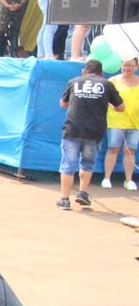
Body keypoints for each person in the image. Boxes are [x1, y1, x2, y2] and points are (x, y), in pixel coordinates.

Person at [58, 59, 124, 209]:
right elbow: (121, 107)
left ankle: (65, 199)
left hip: (72, 129)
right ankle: (82, 193)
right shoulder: (107, 84)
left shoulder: (74, 81)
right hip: (94, 131)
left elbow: (63, 103)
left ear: (84, 71)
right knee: (87, 164)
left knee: (68, 165)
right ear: (101, 73)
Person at [102, 55, 139, 190]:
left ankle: (128, 180)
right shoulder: (113, 81)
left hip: (135, 122)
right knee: (113, 148)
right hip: (115, 121)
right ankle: (107, 178)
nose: (126, 68)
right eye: (124, 65)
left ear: (136, 67)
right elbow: (105, 98)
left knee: (130, 151)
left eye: (130, 65)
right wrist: (112, 106)